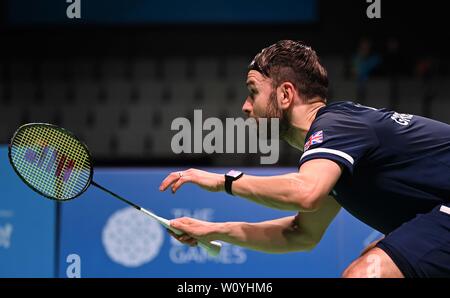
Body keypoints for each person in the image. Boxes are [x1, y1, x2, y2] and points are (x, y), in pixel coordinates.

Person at [159, 40, 450, 278]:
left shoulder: (336, 126)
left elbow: (306, 193)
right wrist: (211, 230)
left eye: (252, 92)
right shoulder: (336, 154)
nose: (245, 107)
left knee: (368, 273)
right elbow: (299, 234)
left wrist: (224, 181)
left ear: (285, 94)